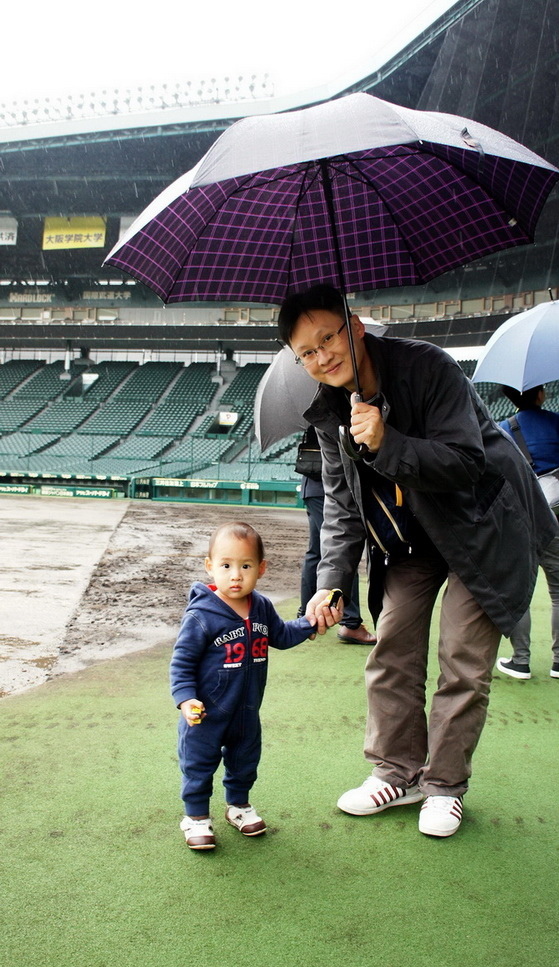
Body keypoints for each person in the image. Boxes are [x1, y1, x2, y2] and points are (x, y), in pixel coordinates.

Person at [278, 283, 558, 838]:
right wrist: (331, 584)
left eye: (327, 337)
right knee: (393, 648)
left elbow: (465, 459)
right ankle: (398, 771)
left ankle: (445, 785)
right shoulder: (330, 414)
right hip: (408, 542)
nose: (321, 357)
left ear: (354, 327)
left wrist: (388, 442)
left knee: (462, 656)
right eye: (305, 352)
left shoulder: (429, 367)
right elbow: (341, 505)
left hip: (482, 527)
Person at [170, 520, 317, 850]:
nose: (235, 575)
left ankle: (238, 806)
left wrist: (310, 624)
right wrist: (185, 699)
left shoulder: (261, 607)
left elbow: (280, 635)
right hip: (206, 713)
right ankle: (195, 817)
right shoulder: (201, 615)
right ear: (210, 567)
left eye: (245, 566)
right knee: (198, 763)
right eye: (226, 565)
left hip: (247, 708)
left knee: (245, 759)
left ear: (261, 569)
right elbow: (181, 663)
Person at [497, 384, 559, 680]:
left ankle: (520, 661)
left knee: (520, 589)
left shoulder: (502, 429)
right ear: (539, 394)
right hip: (556, 513)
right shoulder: (555, 422)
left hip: (521, 516)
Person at [298, 425, 376, 646]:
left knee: (316, 552)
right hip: (327, 489)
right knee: (341, 550)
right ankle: (350, 623)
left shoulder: (315, 413)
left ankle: (307, 614)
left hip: (312, 488)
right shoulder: (330, 416)